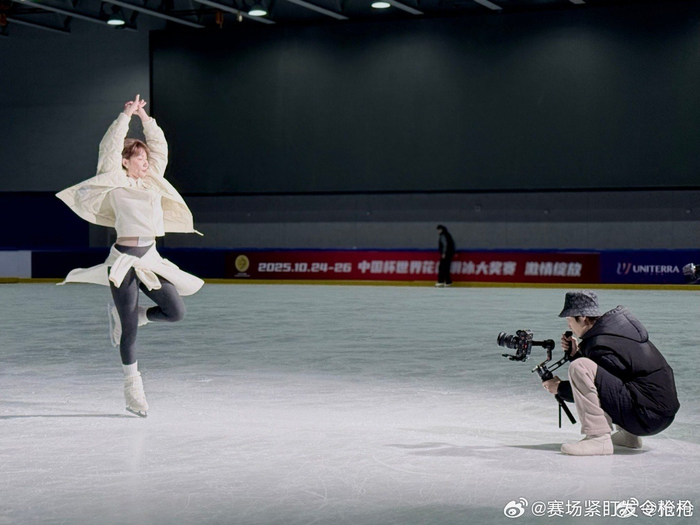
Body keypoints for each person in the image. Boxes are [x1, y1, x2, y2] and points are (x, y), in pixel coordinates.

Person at [56, 94, 204, 417]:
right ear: (125, 162)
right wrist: (125, 117)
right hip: (123, 261)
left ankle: (140, 315)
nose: (145, 161)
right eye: (139, 157)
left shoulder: (153, 181)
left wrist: (145, 119)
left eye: (146, 157)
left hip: (150, 258)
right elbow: (109, 148)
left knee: (176, 311)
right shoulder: (115, 181)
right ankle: (133, 389)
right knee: (129, 330)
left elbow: (161, 148)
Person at [543, 291, 680, 456]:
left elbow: (598, 388)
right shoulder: (615, 334)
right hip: (659, 415)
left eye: (569, 319)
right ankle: (628, 436)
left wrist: (559, 388)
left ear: (583, 317)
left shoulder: (600, 343)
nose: (569, 326)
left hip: (646, 417)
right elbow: (609, 379)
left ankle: (598, 439)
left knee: (579, 367)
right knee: (605, 373)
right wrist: (575, 353)